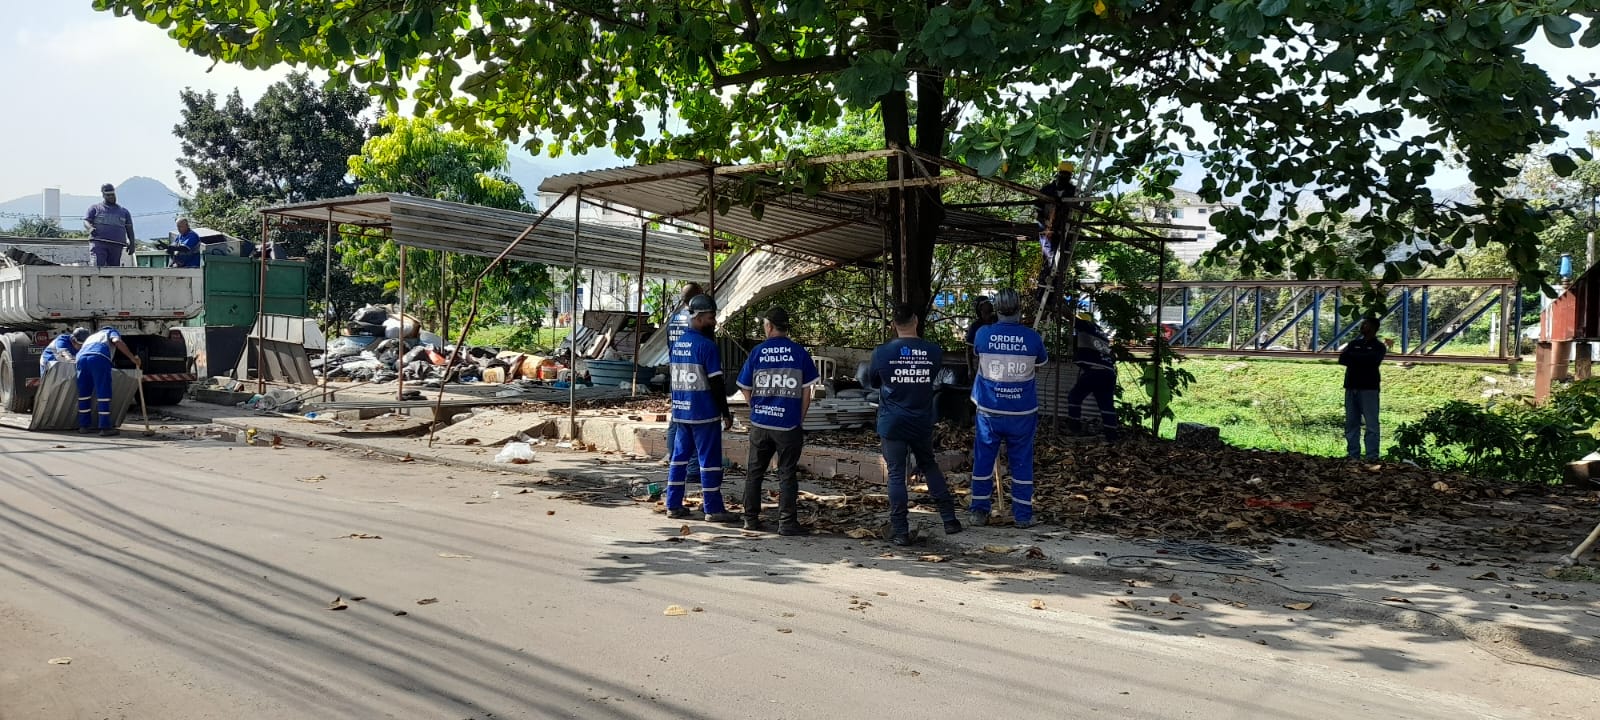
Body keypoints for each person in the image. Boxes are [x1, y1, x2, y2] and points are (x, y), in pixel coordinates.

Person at [869, 303, 963, 545]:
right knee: (929, 465)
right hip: (921, 419)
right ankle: (950, 519)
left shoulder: (881, 352)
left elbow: (872, 381)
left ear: (893, 325)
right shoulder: (933, 351)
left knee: (897, 475)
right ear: (916, 320)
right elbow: (929, 379)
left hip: (892, 422)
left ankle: (900, 530)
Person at [969, 289, 1049, 528]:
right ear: (1019, 309)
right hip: (1022, 412)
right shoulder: (1033, 338)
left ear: (996, 309)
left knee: (983, 460)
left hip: (988, 411)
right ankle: (1023, 515)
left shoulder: (983, 334)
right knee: (1022, 461)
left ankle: (978, 512)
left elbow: (977, 356)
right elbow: (1039, 366)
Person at [735, 306, 818, 535]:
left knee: (754, 472)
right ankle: (787, 523)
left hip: (761, 424)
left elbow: (745, 388)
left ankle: (750, 519)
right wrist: (798, 419)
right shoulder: (799, 353)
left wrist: (757, 410)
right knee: (787, 473)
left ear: (768, 326)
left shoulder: (757, 352)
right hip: (788, 425)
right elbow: (807, 392)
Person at [666, 294, 738, 523]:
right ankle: (713, 509)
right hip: (704, 412)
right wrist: (725, 412)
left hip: (681, 411)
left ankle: (673, 504)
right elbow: (716, 384)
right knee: (709, 461)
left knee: (679, 459)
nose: (714, 322)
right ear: (697, 318)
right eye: (710, 317)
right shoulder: (707, 346)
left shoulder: (678, 344)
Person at [664, 282, 705, 488]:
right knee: (697, 422)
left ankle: (676, 462)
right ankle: (692, 469)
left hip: (677, 373)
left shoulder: (673, 319)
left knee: (676, 418)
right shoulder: (694, 319)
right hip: (695, 374)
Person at [1065, 301, 1120, 441]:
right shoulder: (1102, 334)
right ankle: (1112, 436)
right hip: (1108, 372)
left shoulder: (1086, 326)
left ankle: (1074, 428)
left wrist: (1058, 307)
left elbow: (1071, 318)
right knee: (1106, 404)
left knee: (1074, 397)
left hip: (1095, 371)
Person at [74, 326, 141, 436]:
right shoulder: (111, 331)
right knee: (103, 393)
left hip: (81, 359)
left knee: (84, 394)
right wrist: (133, 359)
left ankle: (83, 426)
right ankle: (105, 427)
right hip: (98, 357)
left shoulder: (92, 336)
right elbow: (117, 341)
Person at [1339, 318, 1390, 461]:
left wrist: (1355, 358)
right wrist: (1362, 359)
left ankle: (1372, 456)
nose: (1362, 326)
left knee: (1371, 423)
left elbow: (1373, 361)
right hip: (1351, 386)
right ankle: (1353, 454)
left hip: (1369, 388)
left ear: (1374, 328)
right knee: (1351, 423)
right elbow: (1342, 359)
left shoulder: (1379, 346)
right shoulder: (1354, 343)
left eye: (1366, 324)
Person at [1034, 162, 1081, 302]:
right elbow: (1038, 211)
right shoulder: (1047, 190)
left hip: (1063, 232)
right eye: (1062, 174)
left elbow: (1079, 208)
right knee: (1049, 260)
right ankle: (1042, 295)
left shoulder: (1073, 191)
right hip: (1046, 232)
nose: (1064, 177)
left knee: (1060, 264)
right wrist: (1046, 223)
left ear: (1070, 176)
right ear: (1058, 173)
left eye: (1067, 175)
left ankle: (1054, 296)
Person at [84, 183, 136, 267]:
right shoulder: (95, 208)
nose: (111, 197)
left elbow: (129, 229)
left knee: (113, 271)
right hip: (99, 243)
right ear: (103, 195)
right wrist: (90, 228)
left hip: (116, 245)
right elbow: (86, 221)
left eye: (113, 194)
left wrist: (132, 243)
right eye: (108, 195)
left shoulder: (124, 212)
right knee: (97, 267)